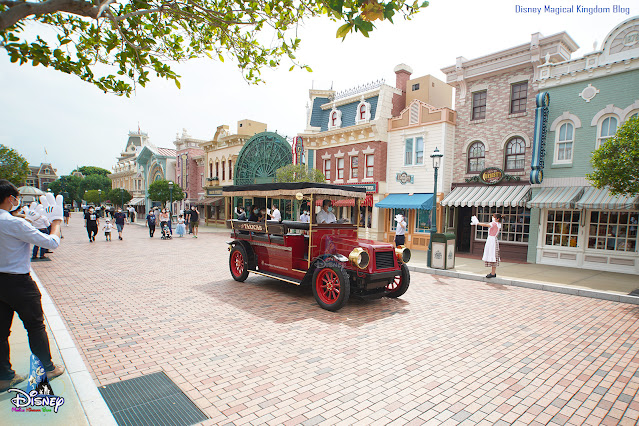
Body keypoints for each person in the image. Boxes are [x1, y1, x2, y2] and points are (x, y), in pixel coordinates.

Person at [0, 180, 65, 392]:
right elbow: (51, 242)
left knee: (1, 331)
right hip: (18, 282)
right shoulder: (14, 224)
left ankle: (4, 376)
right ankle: (47, 367)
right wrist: (56, 221)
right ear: (11, 198)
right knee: (35, 326)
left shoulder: (12, 221)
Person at [477, 213, 502, 278]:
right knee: (493, 255)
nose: (493, 218)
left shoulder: (494, 224)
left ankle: (493, 273)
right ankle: (493, 272)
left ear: (497, 218)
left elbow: (486, 225)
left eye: (494, 217)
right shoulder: (498, 224)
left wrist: (478, 223)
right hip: (493, 240)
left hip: (492, 241)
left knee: (492, 255)